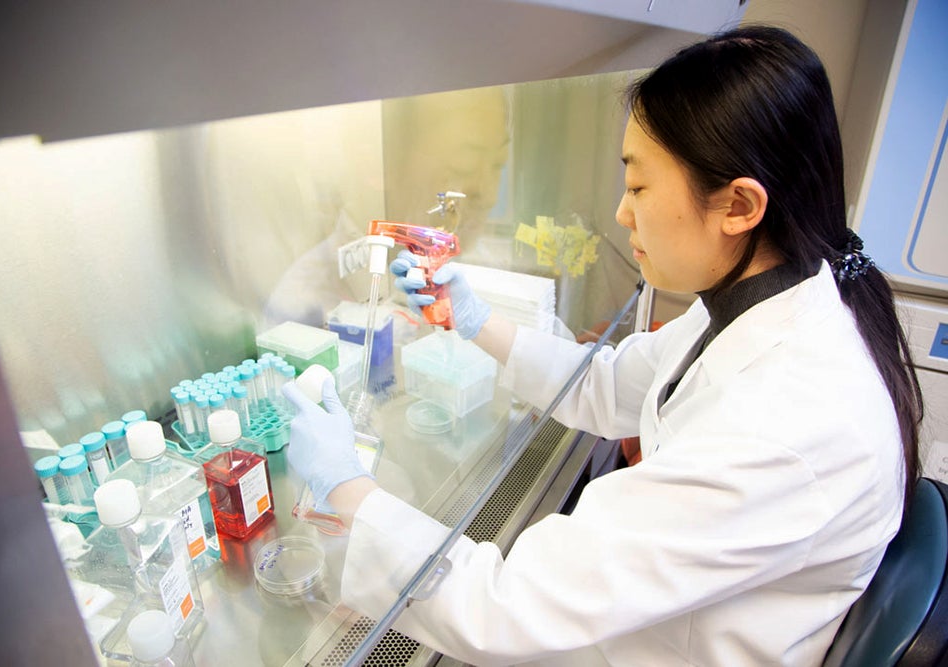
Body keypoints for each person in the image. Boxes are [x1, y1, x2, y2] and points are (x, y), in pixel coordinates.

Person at [281, 26, 924, 666]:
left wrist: (346, 488)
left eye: (639, 187)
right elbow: (610, 385)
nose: (621, 212)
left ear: (738, 205)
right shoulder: (773, 302)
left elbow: (505, 608)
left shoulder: (785, 428)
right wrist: (475, 322)